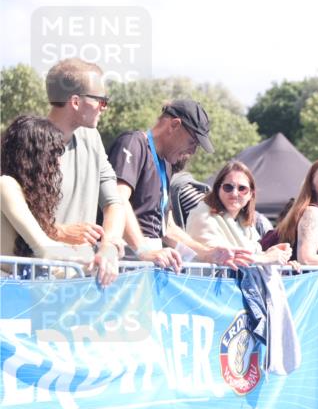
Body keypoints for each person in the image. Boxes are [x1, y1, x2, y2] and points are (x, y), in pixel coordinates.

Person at [107, 99, 253, 271]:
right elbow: (118, 199)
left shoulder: (166, 163)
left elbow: (167, 227)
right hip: (122, 261)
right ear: (174, 125)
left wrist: (207, 253)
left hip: (144, 262)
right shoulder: (133, 143)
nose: (192, 151)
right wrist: (143, 250)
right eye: (193, 142)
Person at [45, 58, 125, 286]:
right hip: (31, 285)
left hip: (81, 283)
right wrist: (59, 232)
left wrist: (109, 245)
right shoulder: (26, 141)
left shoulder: (92, 138)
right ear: (76, 102)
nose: (104, 107)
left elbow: (114, 203)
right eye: (101, 100)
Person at [1, 115, 94, 268]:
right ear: (33, 156)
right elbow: (45, 250)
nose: (58, 162)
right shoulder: (6, 185)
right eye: (53, 154)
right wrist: (91, 258)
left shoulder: (26, 195)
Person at [185, 160, 292, 264]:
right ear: (218, 189)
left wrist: (276, 255)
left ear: (251, 194)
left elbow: (255, 255)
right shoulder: (203, 214)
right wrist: (267, 258)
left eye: (242, 189)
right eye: (228, 187)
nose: (234, 193)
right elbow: (218, 256)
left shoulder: (246, 224)